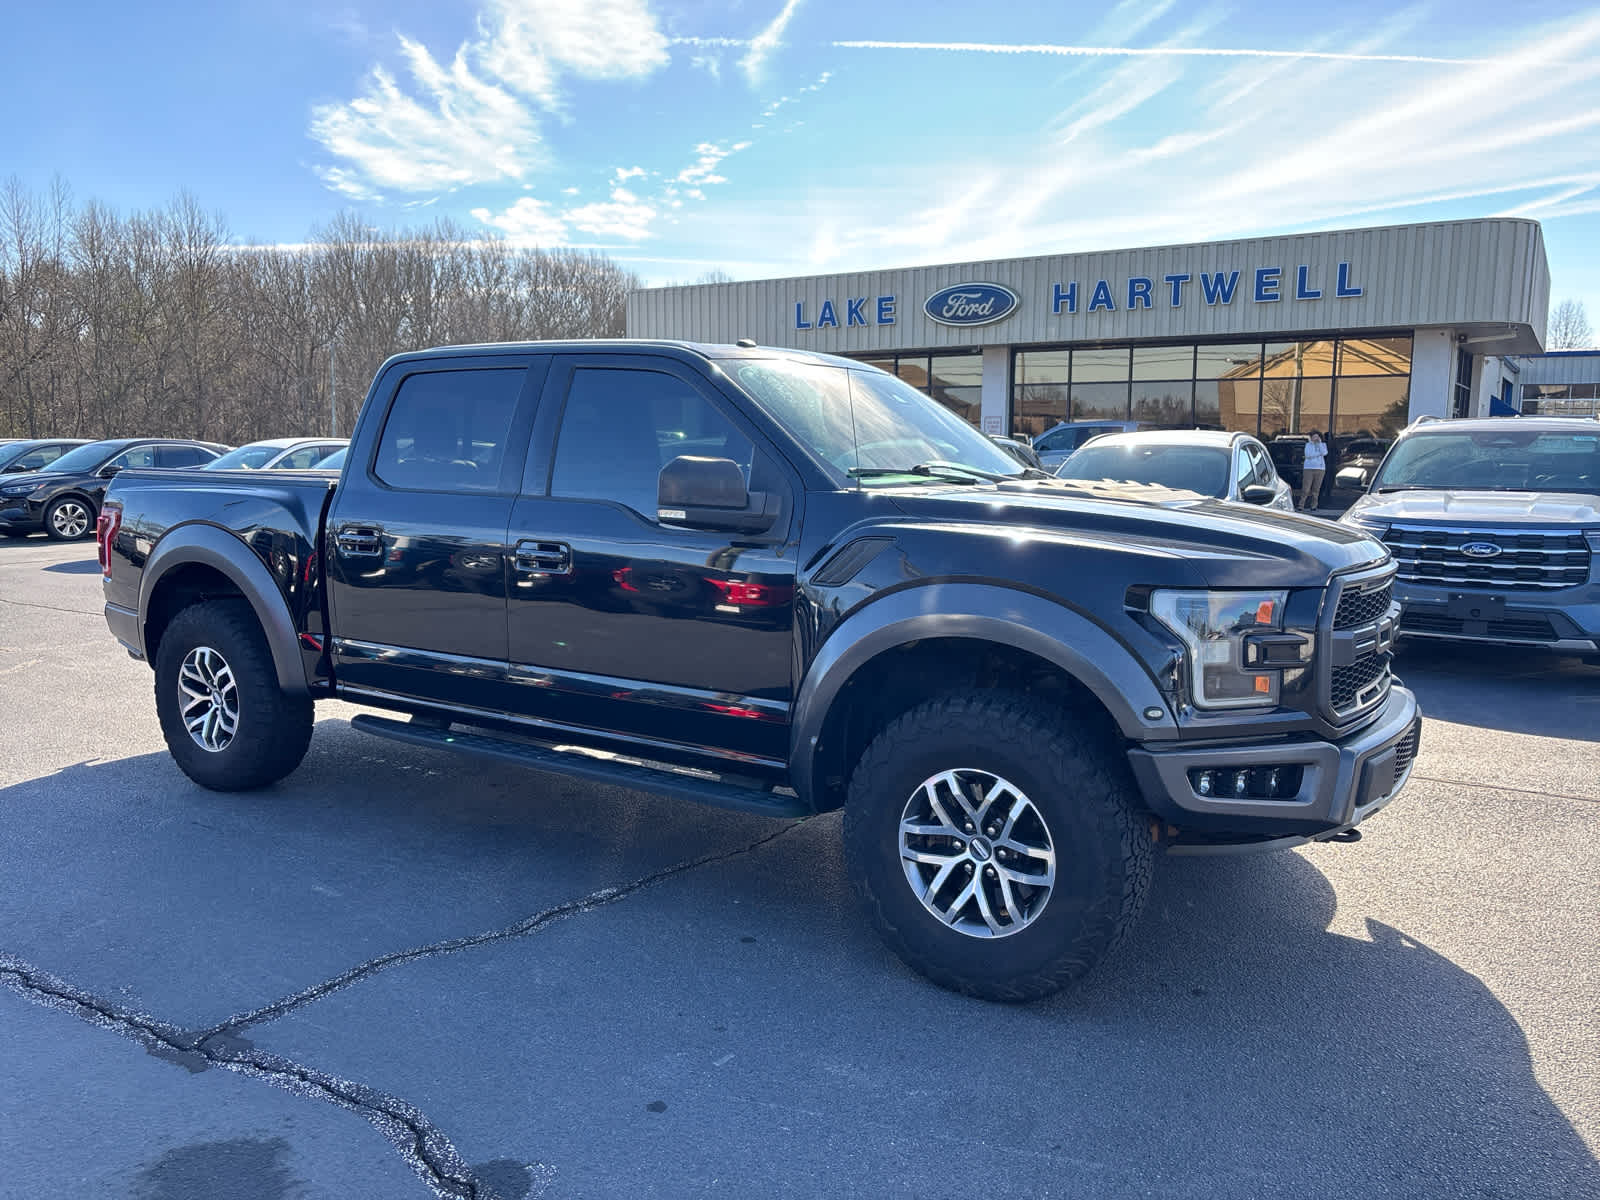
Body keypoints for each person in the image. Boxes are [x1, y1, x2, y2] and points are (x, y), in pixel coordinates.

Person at [1299, 431, 1327, 511]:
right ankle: (1301, 505)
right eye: (1314, 437)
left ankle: (1314, 505)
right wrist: (1318, 454)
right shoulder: (1308, 445)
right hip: (1309, 468)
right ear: (1311, 438)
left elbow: (1324, 453)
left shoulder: (1323, 445)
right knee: (1306, 488)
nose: (1316, 438)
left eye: (1317, 437)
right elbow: (1308, 455)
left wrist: (1319, 444)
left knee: (1316, 489)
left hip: (1320, 469)